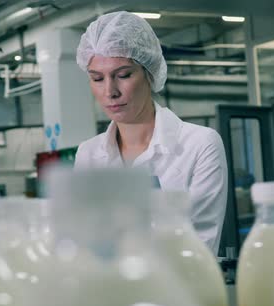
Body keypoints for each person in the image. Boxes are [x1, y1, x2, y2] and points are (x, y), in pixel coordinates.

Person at [73, 11, 228, 253]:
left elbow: (199, 247)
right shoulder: (88, 154)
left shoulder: (199, 145)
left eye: (123, 75)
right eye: (97, 78)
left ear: (150, 73)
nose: (110, 91)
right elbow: (81, 242)